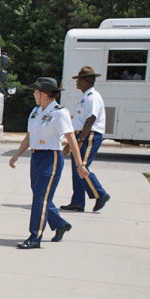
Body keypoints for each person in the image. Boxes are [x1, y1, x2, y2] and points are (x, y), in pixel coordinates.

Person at [8, 77, 89, 249]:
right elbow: (29, 137)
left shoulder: (59, 112)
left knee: (39, 198)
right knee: (40, 196)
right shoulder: (36, 112)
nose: (34, 95)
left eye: (36, 92)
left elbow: (71, 138)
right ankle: (60, 224)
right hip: (36, 158)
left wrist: (79, 165)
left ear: (44, 93)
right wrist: (17, 155)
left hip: (51, 158)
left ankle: (34, 236)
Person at [61, 66, 110, 212]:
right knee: (77, 168)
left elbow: (91, 119)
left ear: (87, 80)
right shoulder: (84, 96)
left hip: (90, 135)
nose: (77, 82)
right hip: (81, 134)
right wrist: (73, 141)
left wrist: (81, 138)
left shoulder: (92, 97)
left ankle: (101, 194)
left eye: (79, 79)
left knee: (81, 167)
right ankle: (77, 202)